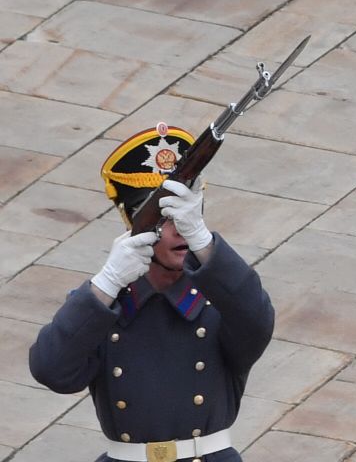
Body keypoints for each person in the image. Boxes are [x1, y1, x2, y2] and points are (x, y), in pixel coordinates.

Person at [29, 125, 274, 461]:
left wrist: (205, 242)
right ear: (137, 224)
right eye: (166, 217)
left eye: (189, 215)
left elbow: (257, 323)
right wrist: (106, 282)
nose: (181, 230)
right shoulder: (106, 304)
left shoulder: (219, 300)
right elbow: (52, 370)